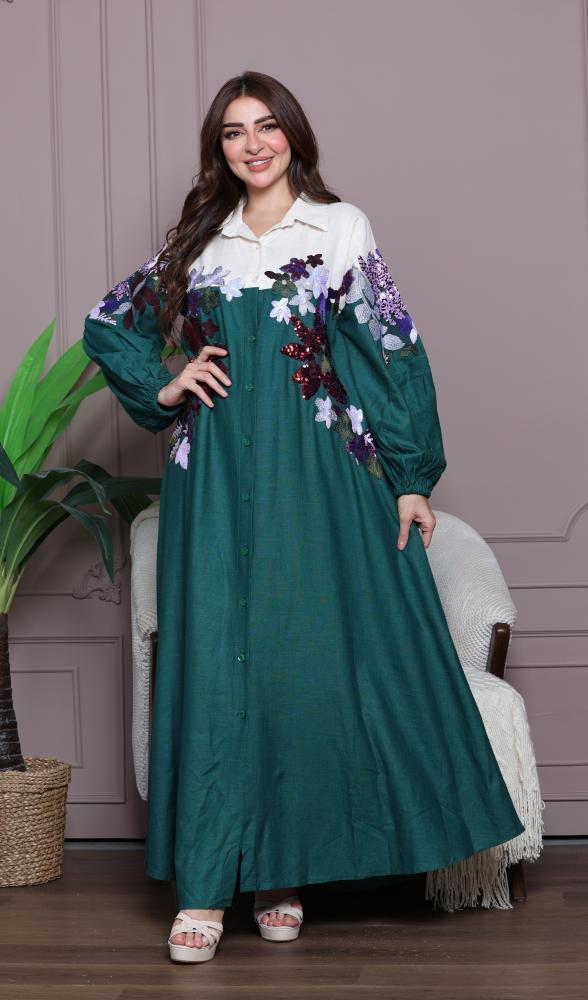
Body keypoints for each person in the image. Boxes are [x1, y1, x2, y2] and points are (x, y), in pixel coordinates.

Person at [82, 70, 525, 964]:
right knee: (216, 665)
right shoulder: (198, 241)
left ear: (293, 134)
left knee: (297, 660)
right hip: (211, 478)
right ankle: (205, 887)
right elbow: (108, 322)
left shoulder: (340, 228)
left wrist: (411, 477)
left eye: (266, 126)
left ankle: (280, 874)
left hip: (318, 478)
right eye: (233, 131)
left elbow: (392, 348)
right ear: (219, 149)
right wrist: (167, 383)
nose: (253, 144)